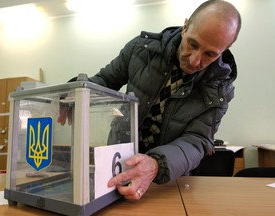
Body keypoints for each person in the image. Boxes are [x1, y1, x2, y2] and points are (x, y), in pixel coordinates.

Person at [58, 0, 241, 201]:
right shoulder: (141, 49)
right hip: (118, 166)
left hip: (168, 181)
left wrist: (156, 164)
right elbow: (105, 80)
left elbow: (198, 140)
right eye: (193, 44)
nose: (195, 60)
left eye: (210, 54)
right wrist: (76, 90)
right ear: (185, 27)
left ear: (224, 50)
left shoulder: (220, 88)